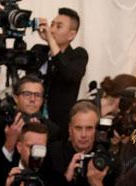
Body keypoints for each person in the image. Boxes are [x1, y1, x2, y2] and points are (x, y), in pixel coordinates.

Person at [41, 100, 114, 186]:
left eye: (89, 128)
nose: (84, 134)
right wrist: (66, 179)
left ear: (97, 130)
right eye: (78, 128)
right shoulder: (54, 154)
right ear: (69, 129)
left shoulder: (108, 160)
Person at [35, 7, 88, 144]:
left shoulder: (78, 55)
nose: (51, 30)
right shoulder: (39, 51)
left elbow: (68, 75)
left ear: (71, 35)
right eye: (52, 24)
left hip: (59, 130)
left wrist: (51, 41)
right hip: (33, 123)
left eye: (58, 26)